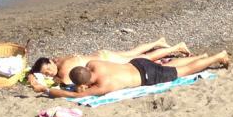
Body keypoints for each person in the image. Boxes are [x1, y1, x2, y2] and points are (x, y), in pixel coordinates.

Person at [34, 51, 232, 98]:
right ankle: (201, 56)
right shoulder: (94, 64)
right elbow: (82, 73)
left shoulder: (104, 85)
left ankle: (217, 57)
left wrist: (47, 89)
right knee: (171, 65)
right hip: (138, 63)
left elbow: (75, 95)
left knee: (185, 71)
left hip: (148, 75)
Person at [29, 36, 192, 87]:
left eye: (48, 69)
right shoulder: (61, 59)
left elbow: (65, 81)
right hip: (102, 56)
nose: (49, 73)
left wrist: (42, 81)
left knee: (146, 58)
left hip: (106, 61)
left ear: (51, 61)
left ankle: (176, 47)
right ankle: (158, 41)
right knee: (134, 52)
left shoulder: (63, 69)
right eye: (46, 73)